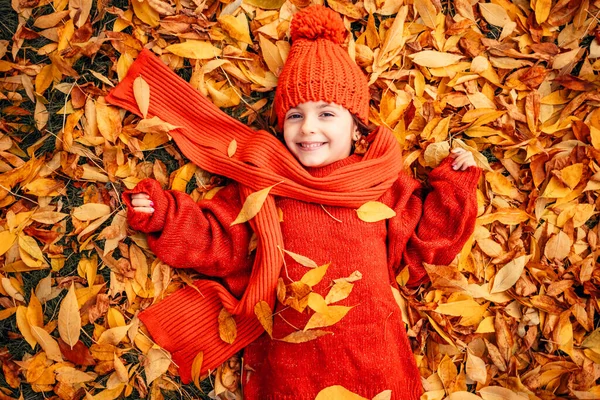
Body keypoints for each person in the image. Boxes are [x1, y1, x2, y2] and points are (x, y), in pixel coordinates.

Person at [106, 5, 480, 399]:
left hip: (373, 352)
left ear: (357, 129)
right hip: (292, 362)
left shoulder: (381, 185)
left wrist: (455, 184)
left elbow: (425, 247)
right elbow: (219, 241)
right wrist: (164, 214)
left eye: (327, 114)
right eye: (295, 115)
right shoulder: (263, 184)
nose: (309, 128)